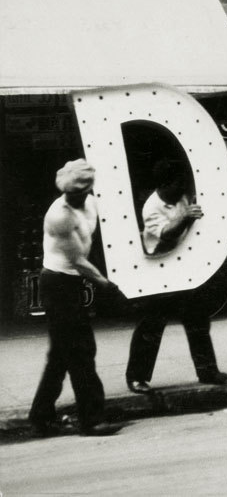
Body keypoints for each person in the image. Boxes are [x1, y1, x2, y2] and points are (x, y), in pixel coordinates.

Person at [28, 159, 123, 437]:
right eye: (72, 192)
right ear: (65, 191)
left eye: (82, 191)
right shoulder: (59, 216)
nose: (77, 196)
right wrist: (106, 284)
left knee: (60, 355)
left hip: (70, 283)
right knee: (81, 351)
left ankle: (41, 417)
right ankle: (92, 420)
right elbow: (78, 259)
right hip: (58, 283)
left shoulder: (90, 203)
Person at [125, 160, 227, 394]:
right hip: (160, 270)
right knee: (151, 326)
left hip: (185, 268)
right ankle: (137, 377)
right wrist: (185, 218)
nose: (183, 188)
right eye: (179, 184)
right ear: (165, 185)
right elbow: (167, 235)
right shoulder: (152, 207)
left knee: (198, 320)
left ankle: (208, 370)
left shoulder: (182, 196)